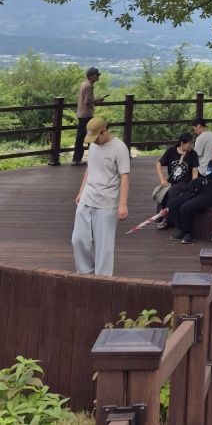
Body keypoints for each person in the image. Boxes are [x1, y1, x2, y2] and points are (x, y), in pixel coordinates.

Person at [71, 116, 130, 276]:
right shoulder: (93, 145)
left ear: (105, 131)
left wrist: (123, 204)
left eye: (96, 137)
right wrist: (81, 191)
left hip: (107, 202)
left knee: (104, 246)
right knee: (78, 239)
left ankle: (103, 279)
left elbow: (125, 177)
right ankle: (85, 273)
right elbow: (90, 168)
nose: (94, 141)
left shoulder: (120, 148)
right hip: (87, 197)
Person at [168, 139, 212, 244]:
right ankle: (181, 229)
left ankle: (188, 234)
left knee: (185, 207)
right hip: (200, 190)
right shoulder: (211, 163)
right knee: (173, 203)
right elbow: (208, 177)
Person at [154, 131, 200, 227]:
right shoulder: (171, 151)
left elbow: (195, 171)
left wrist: (193, 185)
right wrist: (162, 179)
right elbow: (158, 164)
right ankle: (161, 215)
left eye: (192, 143)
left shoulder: (193, 154)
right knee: (163, 192)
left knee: (173, 190)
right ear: (182, 143)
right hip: (171, 182)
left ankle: (167, 219)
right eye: (189, 143)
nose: (191, 146)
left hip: (185, 183)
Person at [72, 69, 104, 164]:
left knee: (81, 137)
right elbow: (87, 101)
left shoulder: (84, 84)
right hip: (86, 115)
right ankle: (92, 159)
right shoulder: (89, 86)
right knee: (91, 136)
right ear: (90, 76)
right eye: (96, 75)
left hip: (82, 114)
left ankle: (77, 159)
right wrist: (98, 100)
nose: (98, 76)